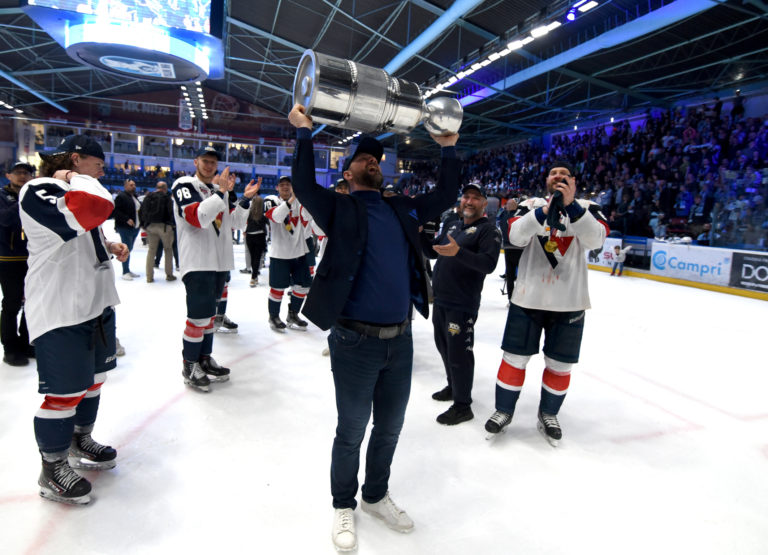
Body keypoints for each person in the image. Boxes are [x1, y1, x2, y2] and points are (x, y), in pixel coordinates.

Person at [288, 103, 460, 552]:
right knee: (351, 430)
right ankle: (343, 503)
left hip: (400, 341)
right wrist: (304, 132)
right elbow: (303, 185)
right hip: (353, 341)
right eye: (364, 158)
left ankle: (375, 495)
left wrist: (448, 148)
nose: (373, 160)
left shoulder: (403, 208)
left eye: (377, 158)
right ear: (347, 173)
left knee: (389, 428)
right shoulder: (338, 208)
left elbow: (445, 195)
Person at [18, 134, 129, 504]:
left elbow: (83, 230)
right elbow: (95, 205)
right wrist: (74, 176)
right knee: (64, 393)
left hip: (95, 305)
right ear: (76, 159)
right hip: (61, 309)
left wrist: (108, 245)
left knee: (93, 381)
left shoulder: (75, 189)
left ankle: (80, 439)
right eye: (97, 164)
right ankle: (52, 466)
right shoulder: (39, 189)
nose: (102, 172)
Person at [484, 160, 607, 446]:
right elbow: (515, 236)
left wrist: (571, 206)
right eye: (554, 173)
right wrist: (544, 211)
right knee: (514, 358)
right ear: (546, 180)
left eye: (565, 174)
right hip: (528, 299)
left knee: (560, 364)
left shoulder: (589, 208)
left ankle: (548, 414)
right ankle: (504, 410)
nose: (558, 177)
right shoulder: (530, 205)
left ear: (573, 181)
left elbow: (596, 240)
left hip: (570, 302)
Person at [171, 146, 259, 391]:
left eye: (213, 162)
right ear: (196, 162)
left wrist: (245, 199)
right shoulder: (184, 185)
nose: (209, 166)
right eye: (205, 161)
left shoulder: (217, 191)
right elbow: (197, 217)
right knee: (198, 318)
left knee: (209, 318)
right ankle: (189, 365)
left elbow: (236, 223)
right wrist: (221, 192)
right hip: (198, 262)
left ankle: (204, 359)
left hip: (219, 263)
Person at [424, 182, 500, 425]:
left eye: (475, 197)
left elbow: (488, 264)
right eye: (466, 196)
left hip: (462, 302)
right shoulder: (453, 224)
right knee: (444, 347)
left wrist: (458, 252)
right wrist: (418, 233)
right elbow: (434, 251)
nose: (469, 201)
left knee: (459, 353)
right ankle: (453, 387)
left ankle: (463, 405)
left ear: (484, 203)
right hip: (441, 299)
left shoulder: (489, 230)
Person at [264, 176, 312, 332]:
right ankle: (273, 316)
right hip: (280, 254)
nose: (285, 187)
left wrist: (303, 198)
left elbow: (308, 217)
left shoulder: (299, 202)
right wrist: (291, 200)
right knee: (277, 288)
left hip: (299, 253)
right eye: (282, 185)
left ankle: (293, 314)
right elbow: (277, 217)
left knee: (303, 286)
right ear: (277, 188)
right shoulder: (271, 200)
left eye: (288, 185)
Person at [0, 161, 35, 366]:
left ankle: (26, 342)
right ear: (8, 175)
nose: (23, 176)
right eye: (18, 172)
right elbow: (4, 219)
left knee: (31, 303)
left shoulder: (34, 196)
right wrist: (23, 201)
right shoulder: (2, 196)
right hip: (8, 258)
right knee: (12, 304)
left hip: (33, 258)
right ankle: (10, 348)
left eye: (27, 173)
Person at [140, 180, 176, 282]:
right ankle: (169, 275)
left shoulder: (148, 197)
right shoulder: (167, 198)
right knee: (168, 250)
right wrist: (173, 225)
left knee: (151, 251)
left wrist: (143, 224)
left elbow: (142, 211)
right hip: (164, 227)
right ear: (165, 188)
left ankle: (149, 277)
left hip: (150, 226)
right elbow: (171, 212)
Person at [113, 178, 141, 280]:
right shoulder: (121, 196)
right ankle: (125, 271)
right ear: (125, 186)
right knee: (126, 249)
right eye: (131, 185)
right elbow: (116, 211)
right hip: (125, 227)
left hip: (135, 227)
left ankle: (127, 269)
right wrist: (126, 219)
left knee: (130, 248)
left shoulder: (134, 197)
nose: (134, 186)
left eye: (134, 185)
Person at [498, 198, 524, 304]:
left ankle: (517, 298)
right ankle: (512, 298)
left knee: (517, 275)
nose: (507, 206)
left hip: (517, 248)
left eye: (509, 204)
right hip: (511, 247)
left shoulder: (511, 215)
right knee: (511, 274)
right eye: (507, 204)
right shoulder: (506, 214)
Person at [244, 177, 267, 287]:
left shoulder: (248, 206)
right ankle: (254, 276)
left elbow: (244, 220)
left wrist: (245, 230)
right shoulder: (262, 206)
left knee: (253, 256)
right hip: (259, 235)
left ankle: (254, 276)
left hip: (250, 235)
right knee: (257, 257)